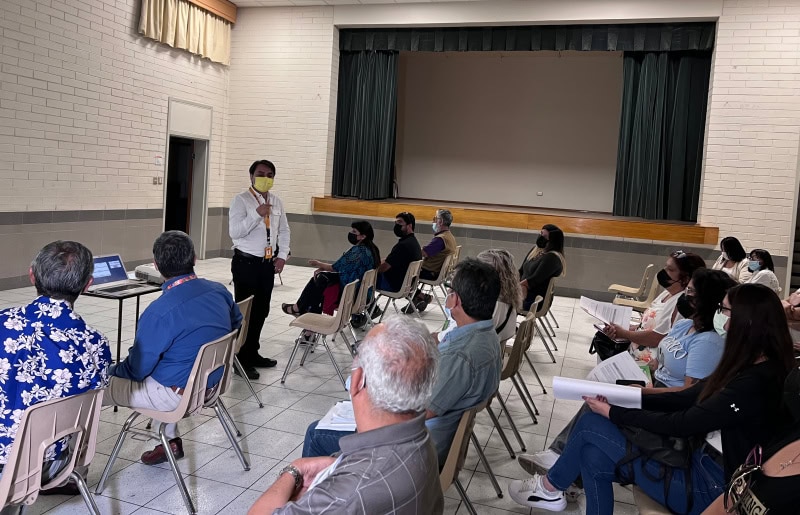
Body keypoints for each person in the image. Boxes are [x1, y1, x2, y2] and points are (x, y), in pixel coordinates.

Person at [508, 283, 795, 514]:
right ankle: (551, 489)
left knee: (592, 424)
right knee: (592, 456)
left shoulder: (758, 381)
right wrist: (627, 397)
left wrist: (613, 413)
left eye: (725, 310)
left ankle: (550, 488)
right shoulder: (745, 365)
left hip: (710, 488)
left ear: (746, 321)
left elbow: (684, 422)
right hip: (695, 461)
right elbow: (687, 397)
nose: (720, 316)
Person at [518, 268, 735, 492]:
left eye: (690, 292)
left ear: (707, 300)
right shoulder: (684, 326)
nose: (685, 297)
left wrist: (642, 392)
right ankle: (564, 463)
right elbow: (662, 362)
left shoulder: (708, 342)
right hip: (653, 385)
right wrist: (643, 370)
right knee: (598, 396)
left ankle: (561, 463)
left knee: (599, 408)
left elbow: (687, 393)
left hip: (667, 403)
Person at [303, 259, 503, 466]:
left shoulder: (461, 355)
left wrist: (375, 395)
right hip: (431, 439)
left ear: (455, 300)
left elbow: (416, 414)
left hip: (412, 452)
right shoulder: (486, 336)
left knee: (316, 434)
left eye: (450, 290)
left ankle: (325, 484)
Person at [248, 316, 443, 515]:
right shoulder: (420, 437)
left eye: (358, 352)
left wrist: (293, 471)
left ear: (357, 380)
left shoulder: (345, 498)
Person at [105, 231, 242, 466]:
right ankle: (169, 441)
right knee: (172, 362)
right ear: (194, 259)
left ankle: (69, 470)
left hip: (176, 396)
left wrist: (111, 370)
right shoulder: (218, 291)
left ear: (156, 265)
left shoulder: (159, 312)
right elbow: (236, 324)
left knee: (90, 388)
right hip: (213, 384)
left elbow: (136, 370)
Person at [0, 241, 111, 496]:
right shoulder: (95, 343)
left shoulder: (2, 325)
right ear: (87, 284)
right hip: (48, 466)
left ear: (32, 275)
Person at [229, 159, 290, 379]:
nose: (265, 178)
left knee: (262, 310)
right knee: (246, 312)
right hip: (246, 263)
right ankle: (240, 358)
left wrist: (281, 256)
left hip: (266, 264)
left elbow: (284, 230)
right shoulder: (241, 200)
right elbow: (235, 232)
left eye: (270, 175)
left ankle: (252, 353)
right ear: (251, 176)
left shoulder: (276, 201)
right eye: (261, 174)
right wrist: (257, 214)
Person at [605, 250, 707, 363]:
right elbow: (648, 326)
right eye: (665, 267)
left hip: (648, 364)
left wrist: (625, 333)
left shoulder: (682, 303)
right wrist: (625, 328)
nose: (664, 272)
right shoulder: (667, 293)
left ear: (685, 278)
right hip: (633, 353)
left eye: (670, 270)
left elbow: (657, 338)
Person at [282, 221, 380, 316]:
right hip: (362, 293)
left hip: (351, 293)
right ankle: (301, 309)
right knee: (320, 279)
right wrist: (323, 268)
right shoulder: (372, 249)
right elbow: (344, 268)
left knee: (320, 281)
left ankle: (301, 310)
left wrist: (318, 264)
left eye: (354, 232)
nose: (351, 233)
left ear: (363, 236)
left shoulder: (358, 251)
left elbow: (335, 267)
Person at [371, 212, 421, 318]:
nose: (396, 226)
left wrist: (370, 269)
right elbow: (390, 259)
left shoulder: (403, 246)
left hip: (394, 285)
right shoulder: (413, 242)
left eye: (400, 223)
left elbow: (383, 268)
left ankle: (371, 309)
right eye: (396, 223)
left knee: (364, 279)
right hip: (406, 285)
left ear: (409, 226)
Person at [411, 209, 457, 312]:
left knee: (404, 273)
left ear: (441, 221)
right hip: (439, 272)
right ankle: (418, 298)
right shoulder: (450, 236)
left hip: (430, 272)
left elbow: (423, 253)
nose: (433, 221)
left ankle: (420, 296)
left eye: (435, 219)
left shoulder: (440, 239)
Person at [519, 224, 566, 311]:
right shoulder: (535, 250)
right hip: (523, 292)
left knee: (500, 300)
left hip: (535, 299)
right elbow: (521, 271)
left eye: (545, 236)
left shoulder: (552, 258)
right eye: (541, 233)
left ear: (552, 241)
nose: (541, 237)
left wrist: (516, 288)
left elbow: (533, 281)